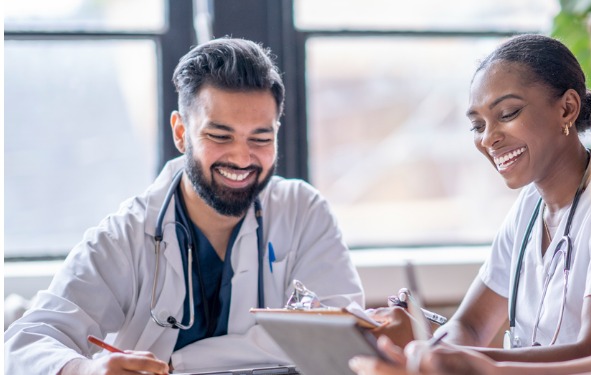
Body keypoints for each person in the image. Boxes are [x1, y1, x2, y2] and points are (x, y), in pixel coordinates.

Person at [4, 37, 365, 374]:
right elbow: (26, 340)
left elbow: (341, 343)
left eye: (260, 137)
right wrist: (86, 369)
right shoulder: (126, 236)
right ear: (181, 132)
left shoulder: (304, 213)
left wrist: (177, 364)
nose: (242, 157)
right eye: (219, 136)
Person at [370, 34, 591, 364]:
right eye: (477, 125)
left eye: (508, 113)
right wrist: (435, 349)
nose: (489, 138)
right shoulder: (530, 206)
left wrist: (469, 365)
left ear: (567, 108)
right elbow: (470, 325)